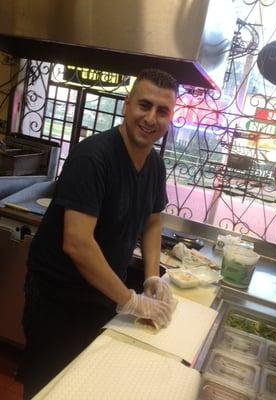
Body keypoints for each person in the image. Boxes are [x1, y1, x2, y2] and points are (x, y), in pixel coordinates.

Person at [19, 68, 178, 399]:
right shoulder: (94, 157)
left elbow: (152, 221)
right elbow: (77, 243)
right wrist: (130, 300)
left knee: (85, 385)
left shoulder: (155, 165)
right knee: (48, 386)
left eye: (162, 111)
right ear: (126, 105)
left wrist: (152, 277)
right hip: (58, 300)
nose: (151, 118)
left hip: (103, 294)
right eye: (144, 105)